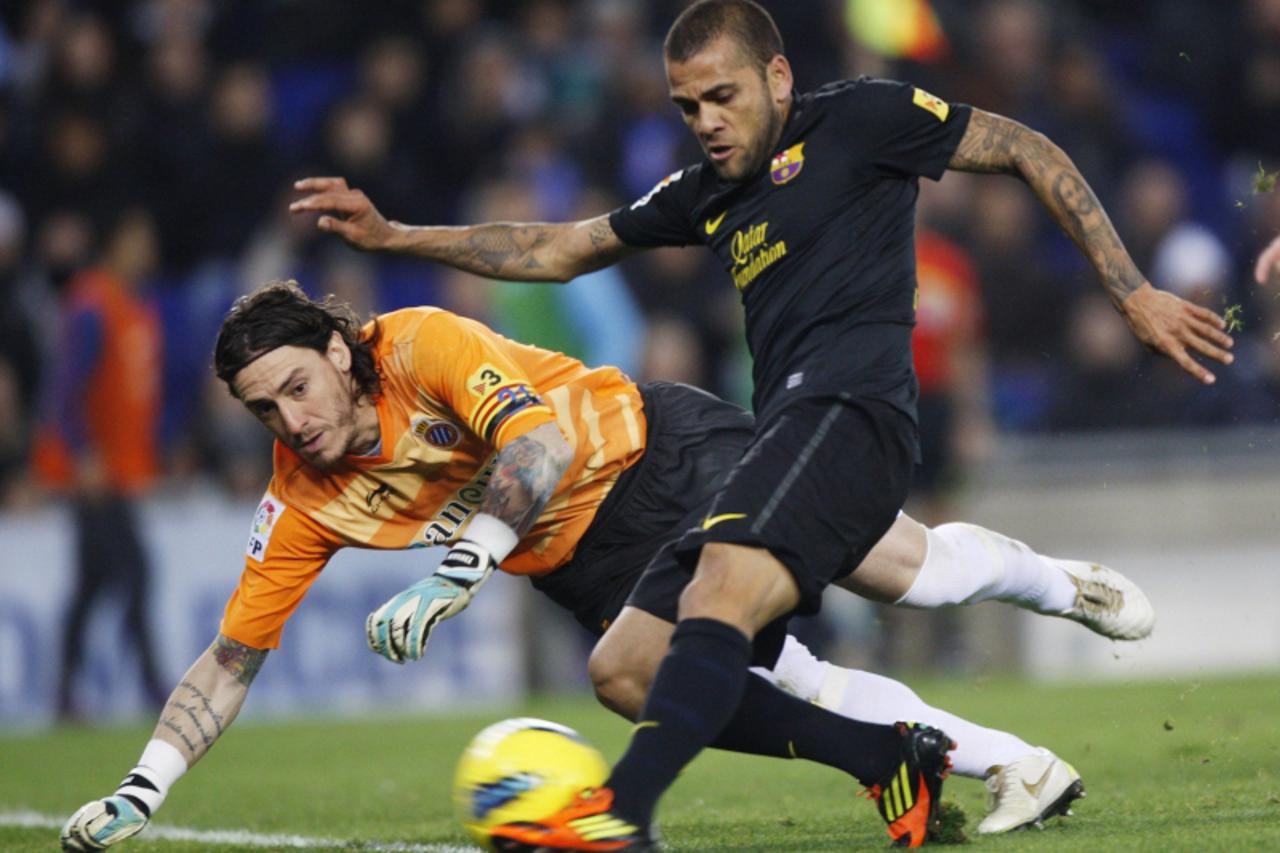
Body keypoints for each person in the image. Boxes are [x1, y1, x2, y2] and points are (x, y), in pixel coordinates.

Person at [287, 0, 1231, 847]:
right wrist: (396, 235)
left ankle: (621, 812)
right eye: (687, 106)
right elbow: (560, 245)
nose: (706, 122)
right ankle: (1025, 633)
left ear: (778, 77)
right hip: (784, 429)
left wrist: (1133, 290)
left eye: (722, 97)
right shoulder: (704, 191)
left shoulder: (864, 118)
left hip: (854, 412)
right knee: (629, 663)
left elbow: (1027, 148)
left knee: (727, 595)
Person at [64, 282, 1145, 852]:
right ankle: (978, 761)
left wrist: (462, 563)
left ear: (341, 352)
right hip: (578, 561)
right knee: (681, 676)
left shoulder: (421, 344)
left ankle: (1056, 586)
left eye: (297, 386)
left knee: (902, 570)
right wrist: (143, 788)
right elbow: (231, 656)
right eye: (264, 409)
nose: (289, 421)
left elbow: (537, 443)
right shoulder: (302, 497)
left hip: (660, 455)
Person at [36, 208, 168, 721]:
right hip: (94, 474)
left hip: (119, 469)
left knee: (93, 585)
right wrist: (82, 452)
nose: (149, 249)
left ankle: (66, 695)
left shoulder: (134, 308)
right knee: (135, 571)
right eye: (141, 237)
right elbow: (66, 388)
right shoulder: (93, 304)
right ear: (118, 244)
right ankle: (154, 687)